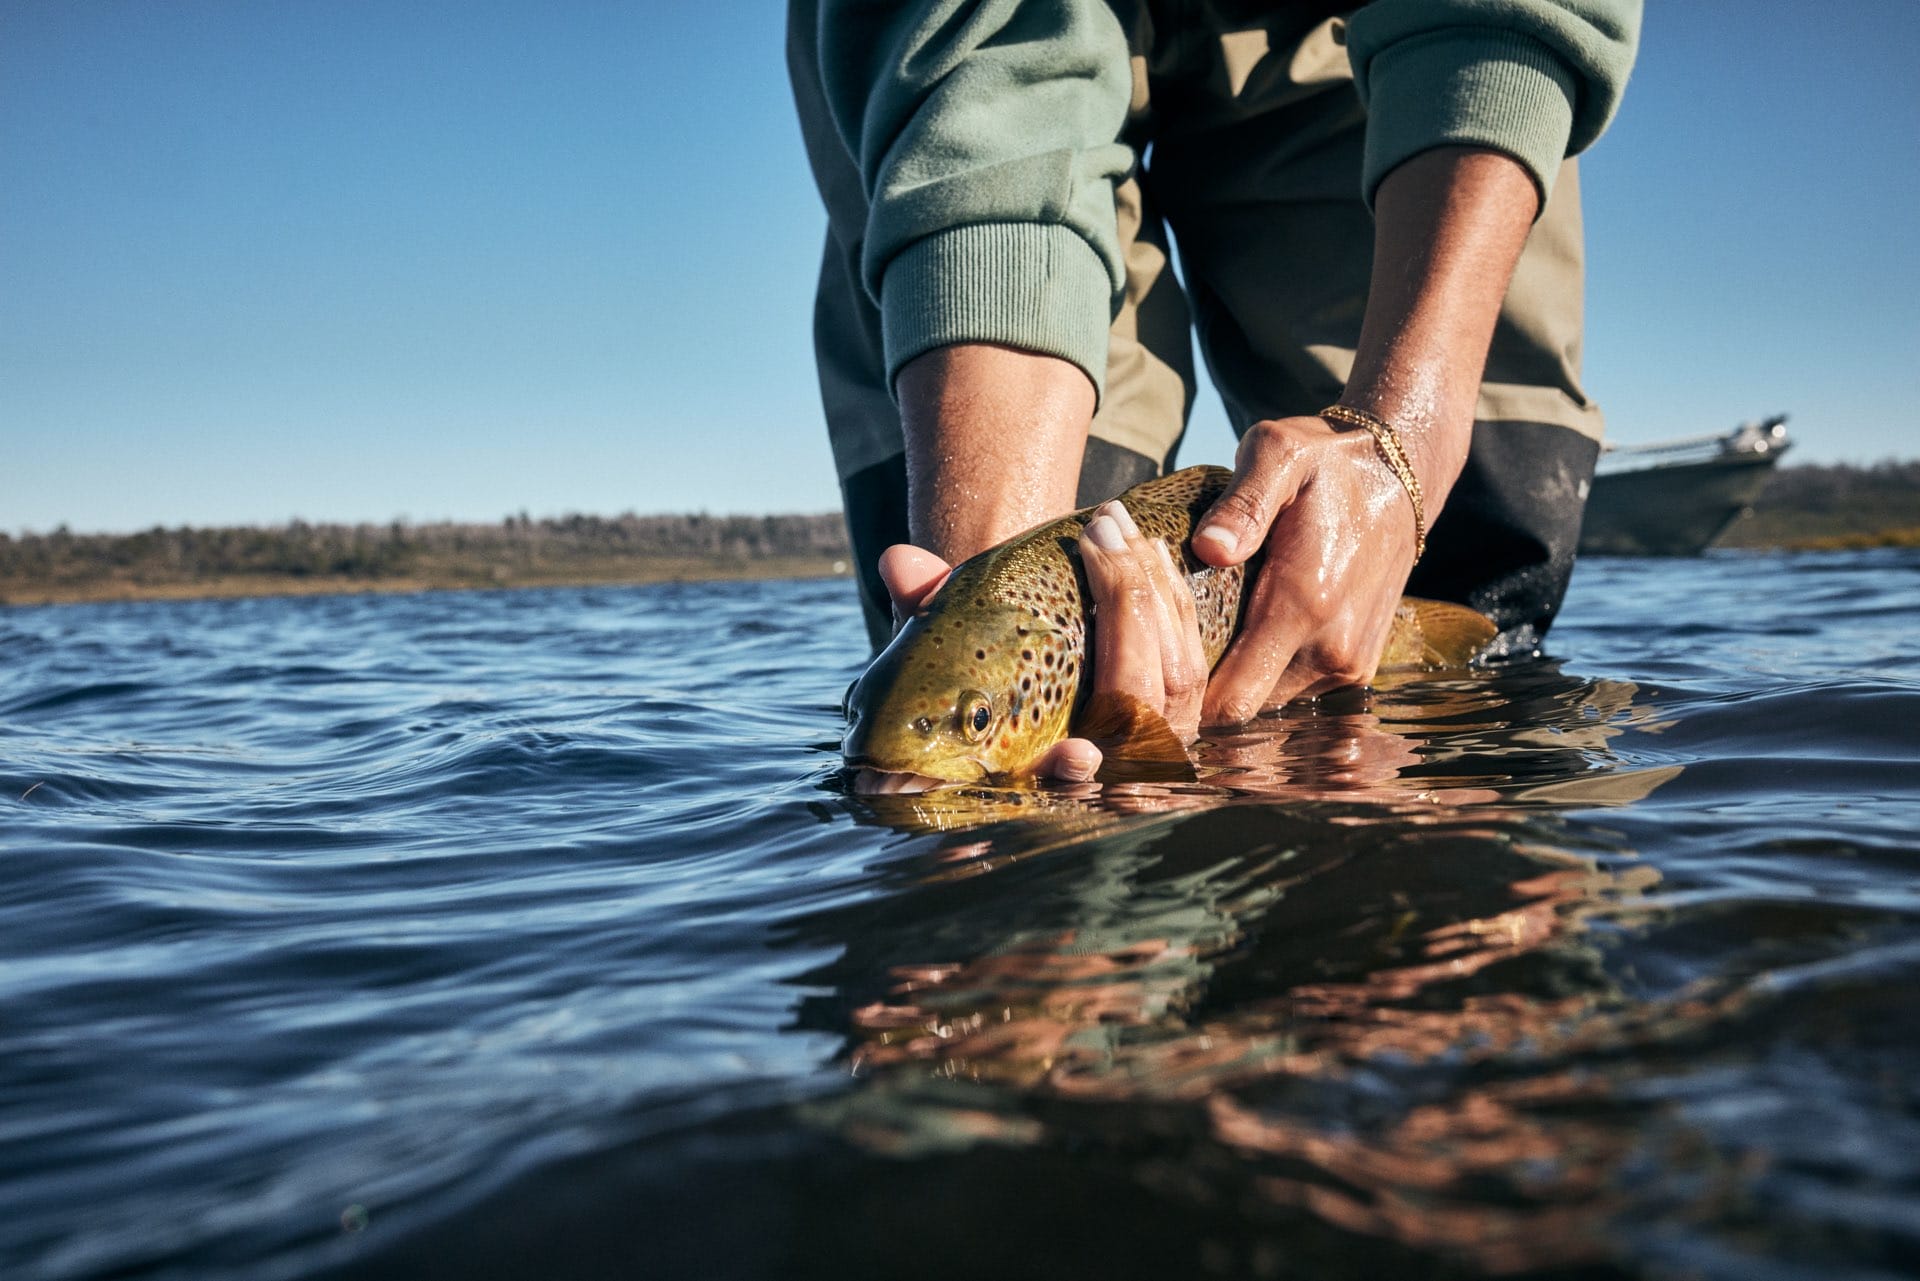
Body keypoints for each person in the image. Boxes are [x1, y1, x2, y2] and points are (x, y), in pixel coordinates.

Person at [789, 0, 1641, 780]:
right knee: (964, 552)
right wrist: (980, 546)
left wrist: (1403, 442)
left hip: (1340, 23)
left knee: (1447, 540)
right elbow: (985, 95)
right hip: (950, 41)